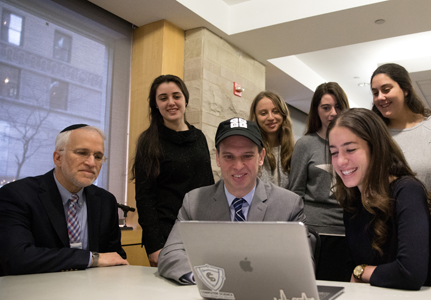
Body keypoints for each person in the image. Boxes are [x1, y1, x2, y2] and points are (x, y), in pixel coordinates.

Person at [158, 118, 309, 284]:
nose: (238, 166)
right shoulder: (193, 202)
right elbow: (170, 254)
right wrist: (208, 279)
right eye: (229, 156)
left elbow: (303, 266)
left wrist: (247, 280)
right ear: (217, 157)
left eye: (247, 156)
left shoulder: (289, 205)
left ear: (261, 157)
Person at [327, 108, 431, 289]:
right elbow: (349, 267)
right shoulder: (352, 200)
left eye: (350, 149)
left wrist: (362, 272)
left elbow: (410, 273)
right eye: (334, 152)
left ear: (376, 148)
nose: (340, 161)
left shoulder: (407, 191)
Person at [0, 124, 128, 275]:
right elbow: (17, 258)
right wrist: (91, 259)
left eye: (98, 156)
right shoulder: (17, 195)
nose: (92, 163)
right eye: (82, 153)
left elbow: (115, 258)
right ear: (58, 158)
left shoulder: (106, 201)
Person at [132, 75, 214, 267]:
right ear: (156, 104)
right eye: (163, 98)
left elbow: (209, 186)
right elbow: (145, 197)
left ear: (185, 99)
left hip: (200, 232)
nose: (171, 103)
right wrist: (155, 247)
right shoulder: (148, 142)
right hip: (166, 237)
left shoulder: (199, 137)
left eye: (176, 96)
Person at [288, 82, 352, 281]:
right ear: (316, 111)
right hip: (315, 234)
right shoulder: (305, 145)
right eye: (326, 108)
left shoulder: (355, 144)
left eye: (338, 106)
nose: (333, 113)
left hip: (348, 232)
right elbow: (295, 192)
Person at [371, 63, 431, 200]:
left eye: (386, 90)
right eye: (375, 93)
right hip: (389, 219)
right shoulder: (374, 134)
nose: (380, 97)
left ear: (405, 90)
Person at [248, 91, 294, 187]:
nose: (270, 117)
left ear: (283, 114)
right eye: (263, 113)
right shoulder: (248, 150)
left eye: (276, 111)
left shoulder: (295, 150)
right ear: (255, 117)